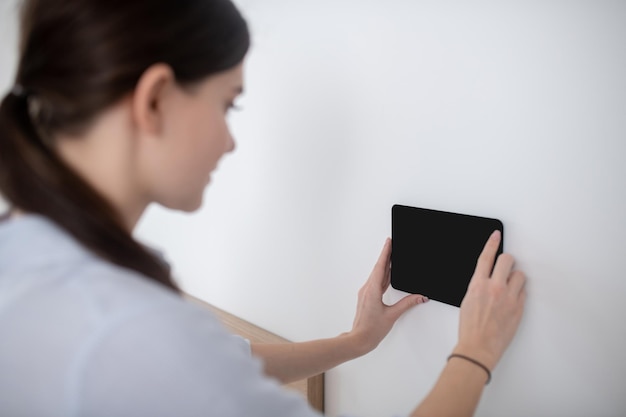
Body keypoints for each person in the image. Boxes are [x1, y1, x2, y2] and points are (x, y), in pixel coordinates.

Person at [0, 0, 526, 416]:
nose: (230, 141)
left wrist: (356, 341)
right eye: (228, 104)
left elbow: (215, 366)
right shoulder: (129, 333)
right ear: (155, 98)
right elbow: (178, 363)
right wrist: (475, 353)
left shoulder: (23, 257)